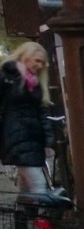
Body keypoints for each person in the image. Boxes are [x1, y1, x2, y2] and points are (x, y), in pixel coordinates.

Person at [0, 42, 53, 197]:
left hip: (32, 138)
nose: (40, 65)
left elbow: (42, 113)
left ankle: (22, 219)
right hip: (15, 136)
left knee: (26, 187)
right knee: (37, 183)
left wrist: (48, 141)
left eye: (42, 62)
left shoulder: (35, 83)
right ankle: (41, 220)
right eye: (37, 60)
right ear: (25, 56)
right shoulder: (6, 77)